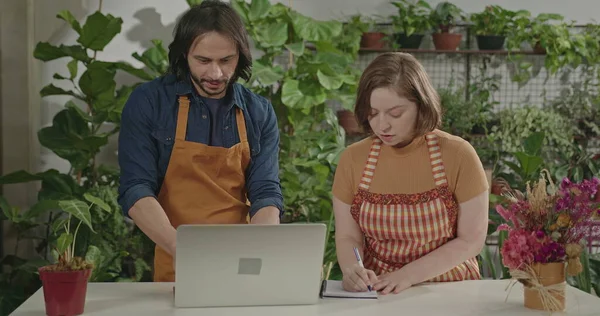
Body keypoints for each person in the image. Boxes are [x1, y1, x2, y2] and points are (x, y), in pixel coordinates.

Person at [117, 0, 283, 282]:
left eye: (226, 60)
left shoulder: (258, 112)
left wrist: (261, 248)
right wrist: (181, 249)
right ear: (184, 55)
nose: (216, 74)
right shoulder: (150, 102)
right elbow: (135, 189)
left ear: (240, 56)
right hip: (176, 256)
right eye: (203, 61)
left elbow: (265, 191)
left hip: (241, 262)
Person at [332, 52, 489, 295]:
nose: (382, 125)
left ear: (422, 105)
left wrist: (407, 275)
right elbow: (346, 237)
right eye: (373, 113)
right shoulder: (353, 160)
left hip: (450, 291)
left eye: (395, 114)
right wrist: (353, 270)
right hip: (381, 293)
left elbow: (471, 240)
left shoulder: (459, 155)